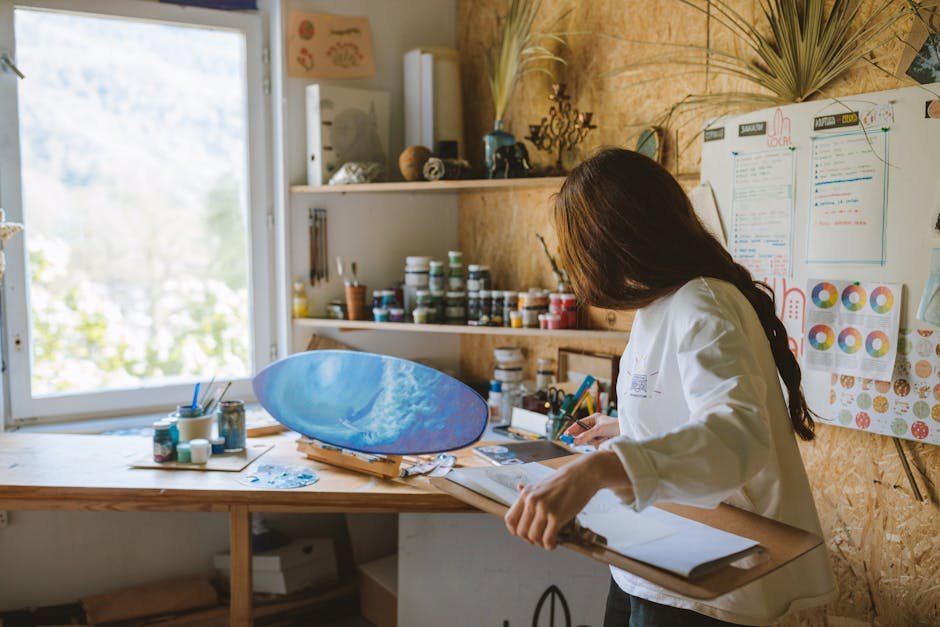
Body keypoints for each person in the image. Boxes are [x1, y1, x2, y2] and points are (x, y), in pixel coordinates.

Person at [503, 148, 836, 626]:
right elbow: (689, 409)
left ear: (612, 241)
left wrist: (595, 471)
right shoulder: (655, 302)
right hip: (649, 558)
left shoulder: (704, 302)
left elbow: (735, 437)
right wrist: (625, 427)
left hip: (708, 580)